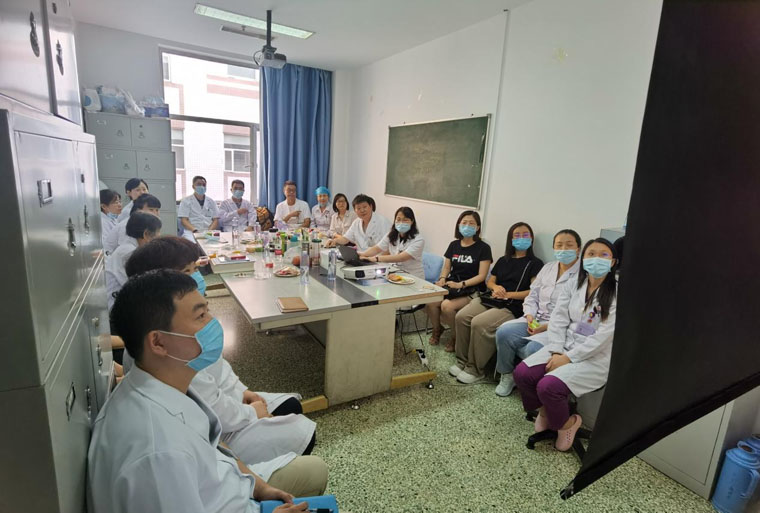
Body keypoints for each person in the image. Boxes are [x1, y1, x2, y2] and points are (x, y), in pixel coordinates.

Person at [91, 269, 319, 512]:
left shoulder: (166, 383)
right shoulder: (158, 454)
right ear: (158, 342)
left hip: (230, 487)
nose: (213, 322)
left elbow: (213, 443)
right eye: (201, 316)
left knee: (315, 470)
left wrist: (258, 486)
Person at [124, 236, 319, 474]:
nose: (196, 277)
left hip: (224, 407)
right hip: (217, 432)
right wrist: (252, 413)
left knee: (290, 406)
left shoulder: (172, 326)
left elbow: (218, 367)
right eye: (187, 271)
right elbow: (211, 406)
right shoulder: (170, 345)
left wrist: (243, 391)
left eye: (196, 269)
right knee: (301, 432)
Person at [513, 238, 618, 451]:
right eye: (591, 254)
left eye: (604, 255)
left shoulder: (617, 292)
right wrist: (556, 351)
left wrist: (568, 358)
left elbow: (603, 336)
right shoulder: (574, 284)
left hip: (594, 357)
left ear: (613, 262)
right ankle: (546, 410)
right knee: (523, 374)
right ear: (583, 258)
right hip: (563, 346)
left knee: (548, 387)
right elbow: (559, 319)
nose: (596, 259)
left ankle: (567, 424)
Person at [451, 222, 543, 384]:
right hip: (492, 298)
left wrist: (508, 294)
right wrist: (496, 288)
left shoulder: (535, 264)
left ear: (531, 239)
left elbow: (533, 292)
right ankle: (462, 361)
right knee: (462, 316)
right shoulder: (503, 260)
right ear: (510, 239)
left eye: (525, 235)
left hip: (513, 305)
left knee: (480, 323)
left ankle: (475, 369)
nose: (521, 238)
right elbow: (490, 282)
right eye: (517, 235)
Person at [494, 229, 582, 397]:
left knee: (532, 348)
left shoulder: (583, 276)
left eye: (569, 245)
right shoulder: (548, 268)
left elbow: (576, 313)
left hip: (557, 326)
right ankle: (507, 375)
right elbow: (532, 295)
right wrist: (529, 316)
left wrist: (545, 327)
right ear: (553, 248)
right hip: (535, 318)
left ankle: (529, 385)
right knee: (503, 332)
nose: (563, 249)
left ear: (578, 249)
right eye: (559, 245)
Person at [425, 211, 492, 352]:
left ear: (478, 227)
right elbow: (447, 267)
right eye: (464, 223)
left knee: (447, 306)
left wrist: (462, 284)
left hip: (473, 289)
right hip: (453, 285)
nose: (467, 226)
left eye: (471, 223)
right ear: (459, 225)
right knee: (430, 301)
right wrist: (442, 279)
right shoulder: (454, 245)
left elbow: (482, 276)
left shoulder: (484, 248)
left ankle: (456, 337)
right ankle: (437, 329)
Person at [104, 212, 162, 310]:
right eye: (158, 232)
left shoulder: (128, 248)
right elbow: (143, 285)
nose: (159, 236)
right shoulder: (130, 252)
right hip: (117, 306)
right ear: (146, 234)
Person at [358, 206, 425, 279]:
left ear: (412, 221)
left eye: (405, 220)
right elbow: (377, 248)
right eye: (398, 219)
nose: (401, 222)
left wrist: (376, 258)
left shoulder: (418, 240)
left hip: (413, 276)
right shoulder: (391, 234)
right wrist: (362, 255)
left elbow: (401, 258)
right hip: (396, 273)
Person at [325, 194, 391, 252]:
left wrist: (376, 258)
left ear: (371, 206)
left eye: (364, 207)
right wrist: (334, 241)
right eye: (358, 208)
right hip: (361, 256)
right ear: (355, 211)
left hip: (378, 258)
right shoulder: (356, 223)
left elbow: (389, 247)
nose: (362, 210)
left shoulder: (383, 222)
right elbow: (345, 239)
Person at [178, 175, 220, 240]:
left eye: (204, 185)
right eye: (199, 184)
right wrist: (195, 230)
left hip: (209, 231)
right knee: (194, 243)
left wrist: (209, 231)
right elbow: (184, 220)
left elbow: (215, 220)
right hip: (192, 231)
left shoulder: (211, 202)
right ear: (193, 186)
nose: (202, 186)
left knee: (217, 243)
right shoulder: (186, 201)